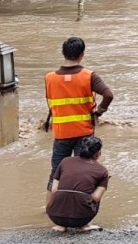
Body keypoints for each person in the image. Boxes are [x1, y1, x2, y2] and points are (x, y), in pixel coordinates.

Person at [44, 37, 113, 198]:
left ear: (63, 53)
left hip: (61, 133)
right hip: (84, 132)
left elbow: (52, 103)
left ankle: (50, 208)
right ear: (82, 54)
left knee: (56, 172)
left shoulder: (49, 78)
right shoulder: (89, 76)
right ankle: (79, 205)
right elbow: (108, 95)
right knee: (83, 170)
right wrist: (100, 111)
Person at [46, 136, 109, 233]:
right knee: (97, 189)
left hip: (54, 216)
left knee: (63, 192)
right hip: (81, 218)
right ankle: (85, 225)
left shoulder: (65, 161)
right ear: (98, 153)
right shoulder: (102, 170)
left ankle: (61, 226)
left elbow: (54, 190)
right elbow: (96, 197)